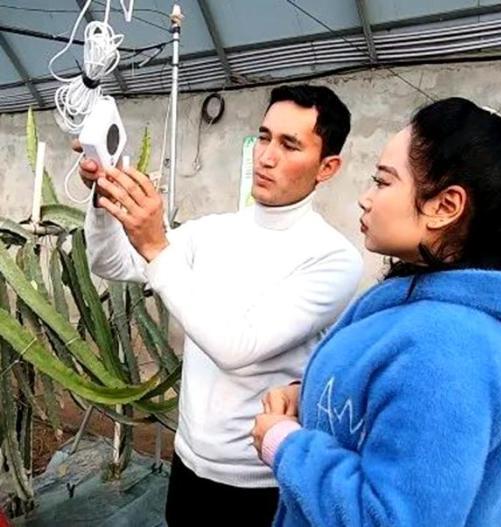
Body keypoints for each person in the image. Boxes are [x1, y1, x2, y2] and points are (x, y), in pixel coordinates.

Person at [252, 97, 501, 526]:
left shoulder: (450, 351)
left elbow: (392, 517)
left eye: (382, 182)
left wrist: (284, 444)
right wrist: (311, 397)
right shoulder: (421, 305)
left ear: (445, 207)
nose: (365, 199)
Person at [77, 84, 363, 526]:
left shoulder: (333, 258)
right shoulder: (212, 231)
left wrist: (156, 246)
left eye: (289, 145)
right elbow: (111, 262)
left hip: (258, 480)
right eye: (264, 137)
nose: (266, 157)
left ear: (327, 167)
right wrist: (103, 199)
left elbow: (237, 347)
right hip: (188, 463)